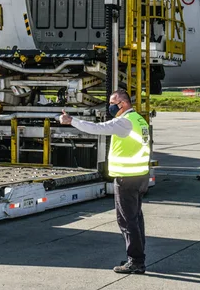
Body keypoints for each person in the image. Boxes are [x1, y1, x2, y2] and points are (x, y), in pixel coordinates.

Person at [59, 89, 151, 274]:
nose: (109, 106)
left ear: (123, 104)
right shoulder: (139, 119)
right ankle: (137, 257)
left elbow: (98, 128)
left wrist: (72, 121)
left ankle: (136, 261)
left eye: (112, 102)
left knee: (127, 220)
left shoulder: (124, 121)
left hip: (127, 177)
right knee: (136, 219)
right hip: (140, 176)